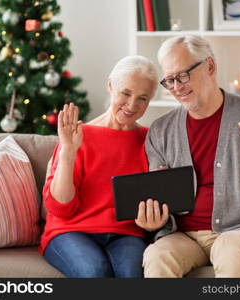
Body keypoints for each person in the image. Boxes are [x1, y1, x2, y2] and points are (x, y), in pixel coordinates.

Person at [135, 35, 240, 278]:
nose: (177, 87)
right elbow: (162, 208)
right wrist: (154, 220)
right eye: (169, 80)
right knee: (156, 255)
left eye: (183, 75)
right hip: (184, 237)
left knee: (229, 248)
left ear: (210, 66)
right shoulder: (161, 130)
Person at [39, 55, 158, 278]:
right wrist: (68, 152)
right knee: (95, 271)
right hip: (70, 231)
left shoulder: (150, 140)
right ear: (111, 85)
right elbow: (59, 208)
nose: (132, 105)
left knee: (132, 274)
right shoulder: (78, 136)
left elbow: (157, 199)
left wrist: (154, 220)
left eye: (143, 98)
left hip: (126, 233)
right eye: (126, 93)